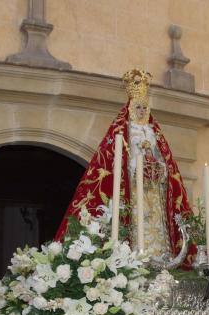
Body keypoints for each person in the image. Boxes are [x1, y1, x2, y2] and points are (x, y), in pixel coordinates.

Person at [54, 69, 195, 265]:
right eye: (138, 107)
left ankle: (162, 256)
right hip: (133, 191)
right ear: (130, 108)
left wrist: (160, 168)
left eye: (145, 107)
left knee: (156, 224)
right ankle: (135, 257)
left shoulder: (154, 134)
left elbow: (164, 162)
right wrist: (136, 166)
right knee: (137, 223)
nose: (142, 111)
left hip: (154, 193)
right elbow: (117, 161)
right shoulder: (125, 130)